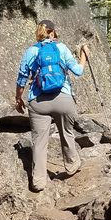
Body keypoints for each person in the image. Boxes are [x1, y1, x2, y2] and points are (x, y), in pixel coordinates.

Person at [15, 20, 89, 192]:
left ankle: (39, 182)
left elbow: (21, 79)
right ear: (53, 32)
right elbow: (78, 71)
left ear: (38, 33)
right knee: (67, 133)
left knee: (39, 142)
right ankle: (71, 166)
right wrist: (84, 55)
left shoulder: (31, 51)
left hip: (38, 101)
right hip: (63, 98)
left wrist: (18, 99)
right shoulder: (61, 48)